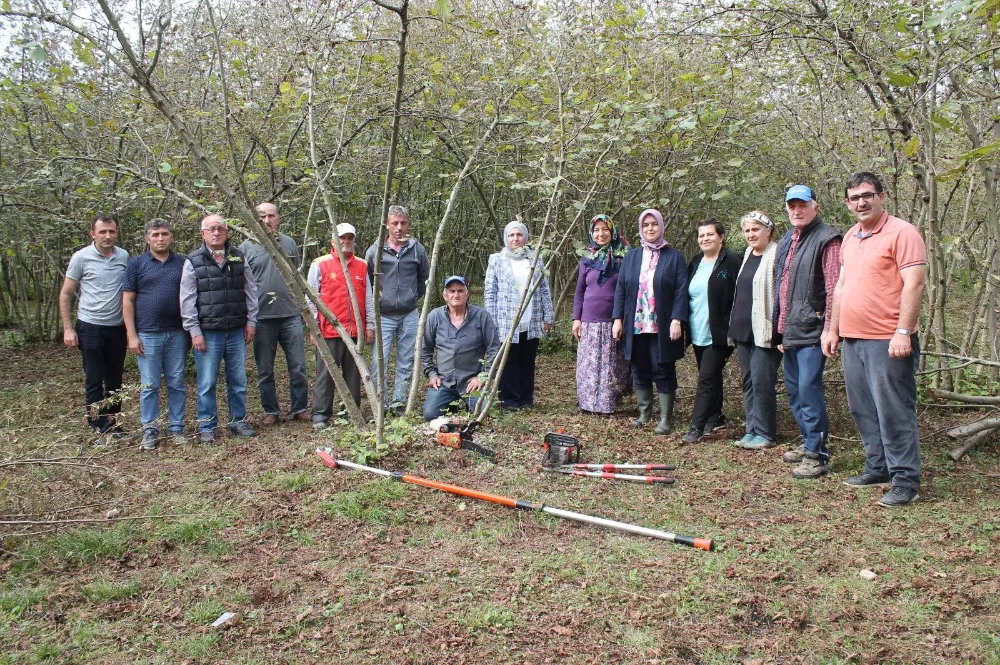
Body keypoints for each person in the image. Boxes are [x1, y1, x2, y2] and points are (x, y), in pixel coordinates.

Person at [823, 172, 927, 507]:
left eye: (867, 195)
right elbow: (841, 287)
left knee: (894, 410)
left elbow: (914, 284)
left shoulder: (903, 232)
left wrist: (902, 331)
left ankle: (905, 480)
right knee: (863, 409)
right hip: (853, 339)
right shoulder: (852, 236)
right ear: (847, 203)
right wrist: (832, 328)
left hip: (888, 339)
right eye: (854, 198)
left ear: (882, 196)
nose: (861, 202)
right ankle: (878, 466)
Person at [774, 185, 842, 479]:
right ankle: (808, 441)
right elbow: (782, 289)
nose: (797, 211)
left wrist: (831, 329)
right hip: (790, 332)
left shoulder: (828, 239)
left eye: (802, 205)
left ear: (816, 206)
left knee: (808, 390)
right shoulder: (787, 239)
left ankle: (817, 453)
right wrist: (779, 330)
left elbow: (834, 288)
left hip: (814, 331)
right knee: (793, 390)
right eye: (792, 206)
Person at [179, 215, 258, 444]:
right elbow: (187, 300)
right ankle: (207, 425)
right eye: (211, 229)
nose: (216, 233)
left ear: (227, 232)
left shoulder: (238, 257)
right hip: (208, 332)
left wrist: (251, 321)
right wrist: (194, 331)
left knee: (238, 380)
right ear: (202, 233)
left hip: (235, 331)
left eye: (220, 229)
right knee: (206, 382)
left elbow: (251, 291)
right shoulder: (193, 261)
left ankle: (238, 421)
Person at [612, 209, 688, 435]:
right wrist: (617, 319)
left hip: (661, 324)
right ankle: (645, 413)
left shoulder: (674, 257)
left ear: (661, 226)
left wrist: (677, 320)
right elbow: (621, 290)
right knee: (639, 367)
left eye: (654, 224)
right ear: (640, 229)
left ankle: (665, 418)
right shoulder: (632, 256)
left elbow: (681, 290)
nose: (650, 228)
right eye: (646, 225)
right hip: (635, 324)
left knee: (662, 367)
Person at [60, 213, 130, 439]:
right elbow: (66, 294)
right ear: (93, 234)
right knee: (94, 378)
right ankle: (97, 426)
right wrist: (68, 328)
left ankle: (114, 424)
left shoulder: (124, 256)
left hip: (117, 328)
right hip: (90, 327)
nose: (107, 236)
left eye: (111, 231)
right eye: (102, 232)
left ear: (117, 232)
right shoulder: (81, 257)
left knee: (115, 380)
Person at [122, 218, 188, 451]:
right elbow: (128, 301)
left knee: (177, 382)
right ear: (147, 238)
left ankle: (177, 427)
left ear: (171, 236)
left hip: (177, 333)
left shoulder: (182, 263)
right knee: (150, 384)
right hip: (148, 333)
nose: (160, 238)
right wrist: (132, 335)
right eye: (155, 234)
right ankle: (150, 429)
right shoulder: (137, 264)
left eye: (164, 234)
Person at [241, 202, 309, 425]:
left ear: (278, 218)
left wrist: (303, 310)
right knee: (265, 369)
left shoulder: (288, 244)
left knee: (298, 366)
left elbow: (298, 278)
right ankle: (271, 410)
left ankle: (299, 407)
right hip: (261, 318)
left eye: (271, 216)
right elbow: (242, 285)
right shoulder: (246, 247)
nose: (267, 221)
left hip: (290, 315)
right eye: (262, 216)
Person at [680, 219, 742, 444]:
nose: (705, 239)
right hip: (698, 331)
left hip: (720, 333)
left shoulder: (732, 261)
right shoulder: (696, 262)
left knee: (706, 378)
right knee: (710, 377)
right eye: (701, 235)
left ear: (721, 237)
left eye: (710, 234)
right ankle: (716, 417)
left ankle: (697, 427)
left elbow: (742, 294)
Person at [309, 223, 375, 429]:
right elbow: (310, 298)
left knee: (353, 376)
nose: (345, 242)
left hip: (355, 332)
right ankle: (320, 415)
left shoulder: (362, 265)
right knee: (326, 373)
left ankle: (351, 412)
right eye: (341, 238)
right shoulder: (320, 264)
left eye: (349, 238)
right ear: (332, 241)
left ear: (354, 241)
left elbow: (369, 298)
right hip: (329, 331)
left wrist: (370, 325)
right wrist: (313, 327)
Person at [484, 221, 555, 410]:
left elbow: (544, 289)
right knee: (509, 361)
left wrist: (548, 316)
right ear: (506, 238)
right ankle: (508, 400)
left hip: (531, 319)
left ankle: (526, 399)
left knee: (527, 360)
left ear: (525, 237)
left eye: (519, 235)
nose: (515, 239)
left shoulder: (535, 259)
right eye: (511, 235)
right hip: (506, 320)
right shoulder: (496, 260)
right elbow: (490, 292)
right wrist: (491, 321)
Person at [365, 205, 430, 414]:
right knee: (378, 361)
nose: (399, 227)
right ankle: (380, 404)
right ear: (387, 225)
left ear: (408, 224)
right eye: (395, 223)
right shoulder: (375, 251)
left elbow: (423, 279)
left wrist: (411, 297)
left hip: (409, 313)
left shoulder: (417, 249)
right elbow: (367, 283)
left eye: (403, 223)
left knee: (407, 360)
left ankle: (398, 402)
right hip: (382, 315)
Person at [729, 211, 782, 450]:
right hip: (743, 329)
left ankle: (765, 432)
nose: (751, 234)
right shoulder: (749, 254)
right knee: (748, 382)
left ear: (768, 231)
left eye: (756, 229)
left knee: (762, 381)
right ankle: (751, 429)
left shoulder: (776, 253)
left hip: (765, 330)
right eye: (747, 230)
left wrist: (781, 330)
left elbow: (781, 294)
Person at [572, 214, 631, 414]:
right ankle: (588, 404)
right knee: (589, 366)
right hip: (588, 322)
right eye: (596, 230)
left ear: (612, 231)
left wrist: (620, 318)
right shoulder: (587, 258)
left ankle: (606, 405)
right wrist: (576, 318)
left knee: (609, 366)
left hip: (612, 322)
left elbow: (626, 291)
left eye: (605, 229)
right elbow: (579, 291)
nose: (601, 234)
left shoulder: (624, 257)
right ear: (591, 233)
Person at [421, 275, 501, 420]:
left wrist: (482, 376)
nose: (456, 294)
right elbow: (425, 349)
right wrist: (432, 374)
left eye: (460, 290)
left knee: (484, 414)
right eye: (452, 291)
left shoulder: (482, 316)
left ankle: (467, 401)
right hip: (444, 382)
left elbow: (494, 348)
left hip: (472, 382)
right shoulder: (435, 316)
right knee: (430, 415)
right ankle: (451, 403)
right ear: (445, 295)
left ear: (467, 294)